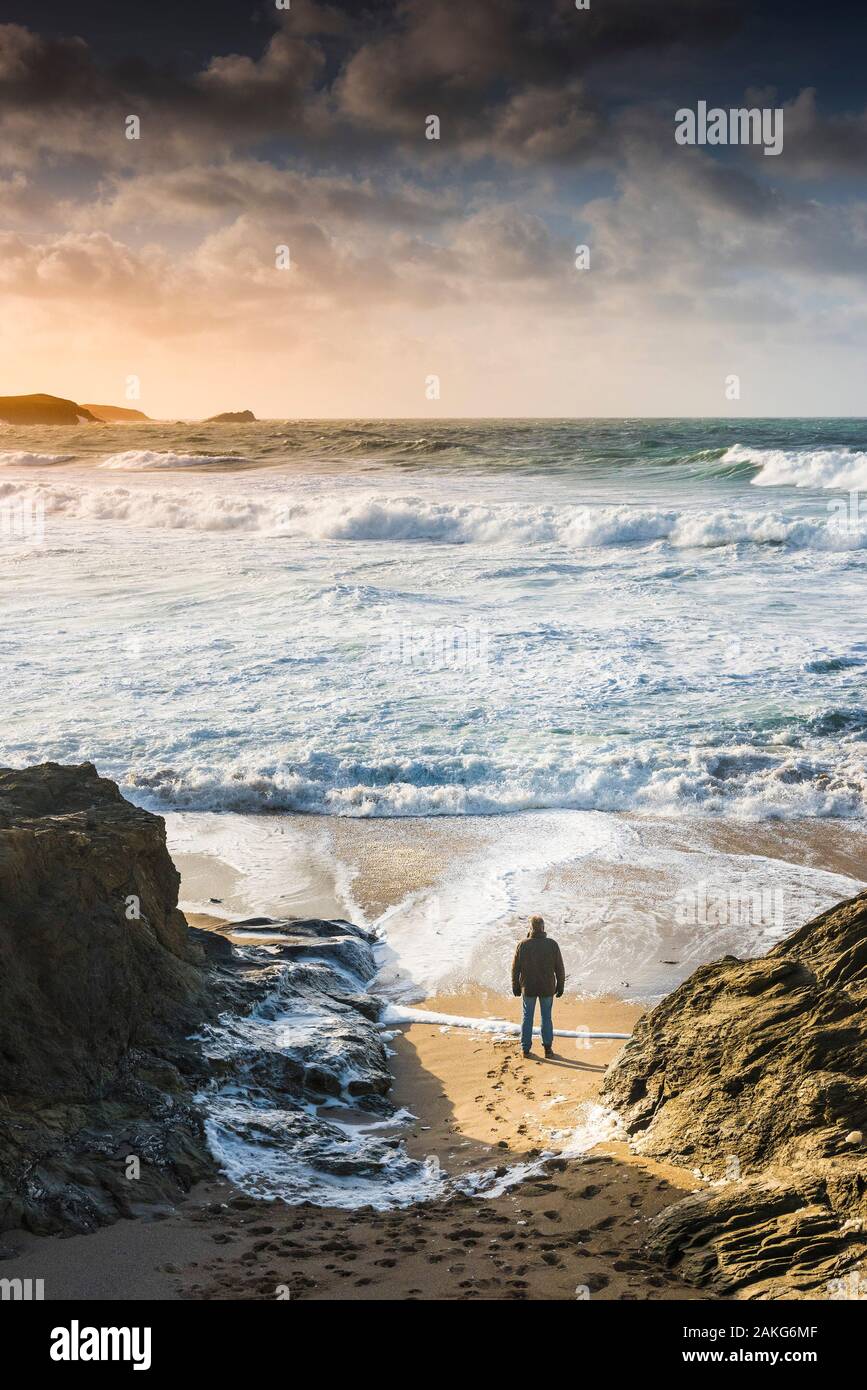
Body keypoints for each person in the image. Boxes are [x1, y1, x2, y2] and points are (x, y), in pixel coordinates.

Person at [511, 915, 565, 1059]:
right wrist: (561, 985)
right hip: (547, 988)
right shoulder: (552, 944)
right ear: (543, 927)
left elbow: (515, 968)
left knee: (527, 1017)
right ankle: (547, 1049)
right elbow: (559, 968)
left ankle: (525, 1049)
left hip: (528, 987)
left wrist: (515, 985)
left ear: (530, 928)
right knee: (546, 1017)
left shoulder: (523, 945)